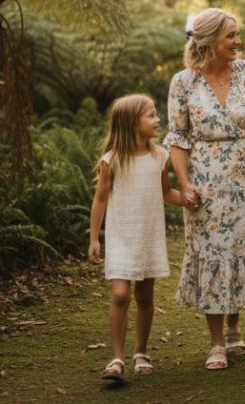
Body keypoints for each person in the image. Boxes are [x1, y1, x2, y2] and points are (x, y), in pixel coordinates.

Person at [164, 8, 245, 370]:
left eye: (238, 34)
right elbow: (177, 137)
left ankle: (234, 325)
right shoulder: (183, 82)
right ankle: (216, 342)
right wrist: (184, 183)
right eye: (231, 35)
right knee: (211, 253)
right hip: (204, 179)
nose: (239, 41)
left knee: (239, 248)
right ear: (209, 40)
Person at [88, 94, 190, 381]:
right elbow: (100, 199)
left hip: (148, 235)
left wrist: (189, 198)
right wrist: (94, 238)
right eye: (151, 115)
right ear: (132, 123)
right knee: (120, 295)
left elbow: (166, 193)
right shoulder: (112, 160)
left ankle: (141, 352)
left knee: (144, 296)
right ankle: (117, 358)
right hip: (121, 236)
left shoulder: (160, 157)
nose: (158, 120)